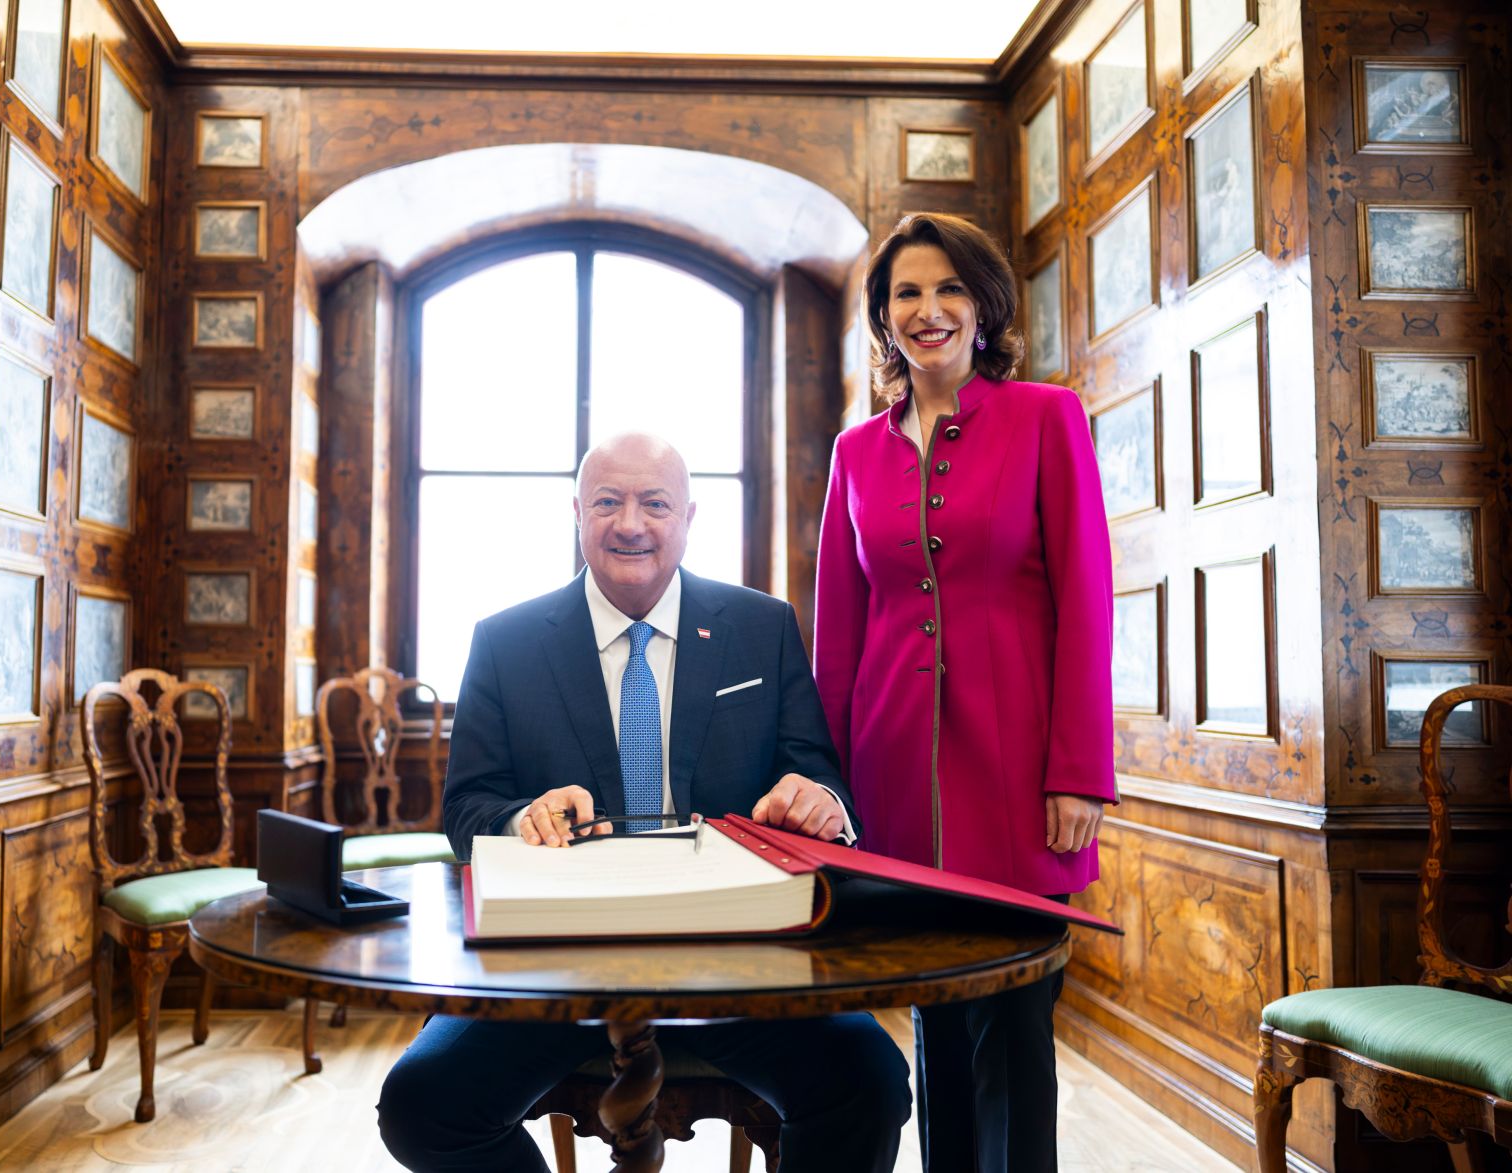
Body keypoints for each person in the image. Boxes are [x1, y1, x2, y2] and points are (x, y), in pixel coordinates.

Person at [378, 431, 911, 1173]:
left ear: (689, 516)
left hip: (739, 969)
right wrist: (518, 817)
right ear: (576, 513)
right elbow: (467, 812)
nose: (630, 522)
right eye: (607, 502)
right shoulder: (504, 641)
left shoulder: (763, 628)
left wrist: (818, 800)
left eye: (654, 503)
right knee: (420, 1104)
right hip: (553, 972)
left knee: (873, 1083)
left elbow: (817, 776)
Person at [814, 212, 1117, 1172]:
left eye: (948, 290)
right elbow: (838, 634)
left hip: (1024, 778)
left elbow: (1087, 598)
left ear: (984, 307)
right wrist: (824, 790)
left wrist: (1079, 774)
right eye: (906, 292)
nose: (928, 309)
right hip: (892, 780)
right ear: (884, 317)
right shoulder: (854, 454)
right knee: (935, 1031)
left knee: (1016, 1036)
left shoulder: (1045, 417)